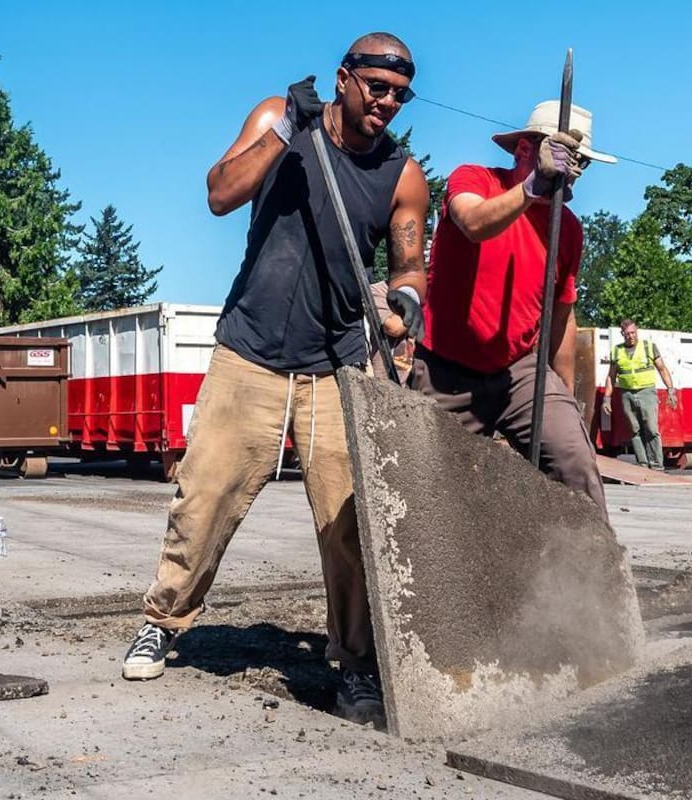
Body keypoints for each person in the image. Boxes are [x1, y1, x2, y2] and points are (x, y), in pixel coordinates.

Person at [121, 33, 430, 729]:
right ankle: (162, 622)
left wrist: (405, 304)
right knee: (203, 498)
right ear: (345, 79)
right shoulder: (279, 121)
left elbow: (411, 265)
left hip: (338, 365)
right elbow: (219, 194)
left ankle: (354, 664)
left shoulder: (402, 174)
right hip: (250, 351)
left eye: (400, 95)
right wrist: (287, 129)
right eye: (376, 88)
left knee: (350, 524)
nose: (387, 104)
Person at [408, 100, 616, 521]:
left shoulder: (567, 228)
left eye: (579, 162)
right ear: (525, 150)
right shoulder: (475, 179)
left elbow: (561, 318)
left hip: (518, 372)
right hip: (446, 370)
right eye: (561, 155)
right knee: (425, 489)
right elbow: (472, 222)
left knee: (573, 460)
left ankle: (591, 577)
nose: (572, 169)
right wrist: (532, 187)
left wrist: (568, 401)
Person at [601, 319, 677, 471]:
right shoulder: (617, 351)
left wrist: (670, 390)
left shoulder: (649, 347)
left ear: (637, 331)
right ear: (622, 334)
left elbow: (662, 369)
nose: (631, 336)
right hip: (626, 394)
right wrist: (606, 399)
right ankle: (642, 463)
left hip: (646, 392)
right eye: (627, 333)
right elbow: (611, 376)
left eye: (633, 332)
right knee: (635, 429)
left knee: (651, 428)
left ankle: (656, 465)